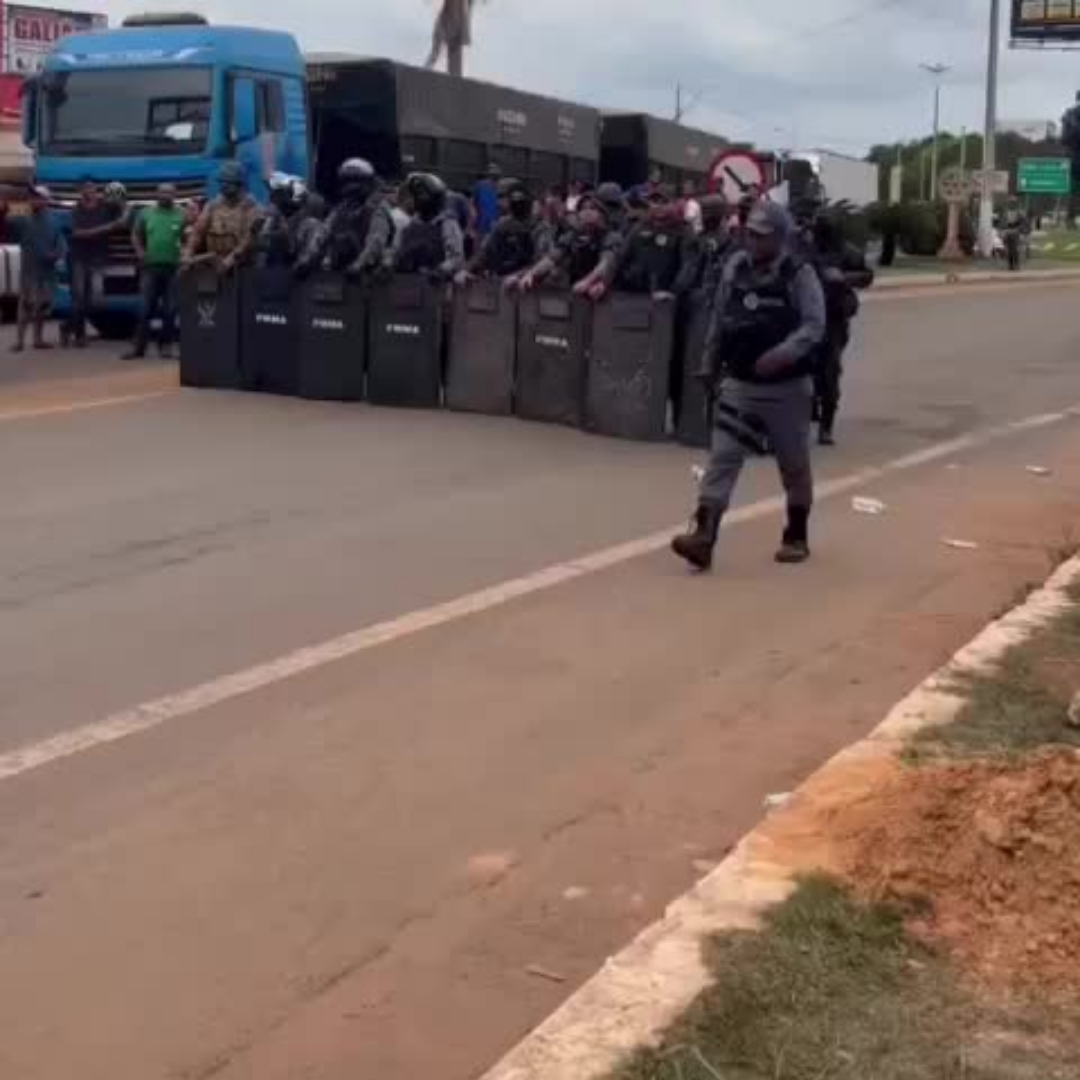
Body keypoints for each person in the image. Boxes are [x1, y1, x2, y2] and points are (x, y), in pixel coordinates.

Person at [672, 201, 826, 572]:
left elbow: (814, 325)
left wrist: (782, 354)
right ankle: (704, 536)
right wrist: (708, 364)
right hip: (740, 382)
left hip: (788, 387)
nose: (752, 241)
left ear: (780, 237)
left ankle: (796, 534)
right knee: (722, 458)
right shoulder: (735, 267)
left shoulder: (798, 273)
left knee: (793, 465)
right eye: (749, 233)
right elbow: (720, 320)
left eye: (761, 235)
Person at [804, 211, 874, 446]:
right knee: (801, 369)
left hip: (833, 320)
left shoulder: (846, 251)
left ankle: (826, 425)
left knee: (829, 372)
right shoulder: (805, 250)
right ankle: (808, 409)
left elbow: (866, 275)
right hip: (804, 318)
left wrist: (843, 277)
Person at [510, 187, 624, 294]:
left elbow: (606, 263)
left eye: (593, 208)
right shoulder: (572, 236)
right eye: (583, 209)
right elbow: (552, 258)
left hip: (616, 297)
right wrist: (531, 274)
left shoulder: (611, 236)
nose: (587, 212)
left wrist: (588, 281)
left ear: (602, 214)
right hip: (577, 295)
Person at [296, 158, 395, 279]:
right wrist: (307, 258)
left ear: (367, 182)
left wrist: (359, 264)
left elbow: (376, 240)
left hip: (370, 270)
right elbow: (323, 231)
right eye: (347, 181)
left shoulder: (378, 208)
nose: (351, 186)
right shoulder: (342, 208)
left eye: (355, 181)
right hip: (345, 267)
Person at [592, 189, 694, 302]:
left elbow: (688, 266)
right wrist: (604, 283)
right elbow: (620, 257)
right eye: (654, 202)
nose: (658, 206)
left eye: (664, 202)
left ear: (673, 204)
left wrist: (673, 292)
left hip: (664, 299)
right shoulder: (640, 226)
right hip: (634, 293)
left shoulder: (683, 231)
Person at [125, 183, 185, 359]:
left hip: (174, 268)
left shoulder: (181, 214)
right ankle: (138, 348)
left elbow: (190, 236)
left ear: (175, 194)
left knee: (171, 310)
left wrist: (185, 253)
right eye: (162, 192)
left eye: (169, 192)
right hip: (150, 267)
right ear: (156, 194)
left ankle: (165, 346)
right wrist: (140, 251)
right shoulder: (146, 213)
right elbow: (135, 234)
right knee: (144, 310)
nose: (165, 195)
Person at [63, 181, 121, 347]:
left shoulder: (105, 207)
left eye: (93, 189)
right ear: (81, 192)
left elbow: (123, 215)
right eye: (86, 189)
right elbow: (77, 233)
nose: (90, 192)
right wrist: (106, 228)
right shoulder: (76, 210)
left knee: (95, 298)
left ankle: (67, 326)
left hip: (97, 258)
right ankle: (79, 335)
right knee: (79, 298)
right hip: (78, 257)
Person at [11, 186, 64, 353]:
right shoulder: (23, 220)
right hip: (29, 270)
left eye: (37, 197)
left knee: (41, 307)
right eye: (32, 197)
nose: (33, 200)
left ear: (45, 200)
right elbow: (6, 223)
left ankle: (38, 339)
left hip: (46, 271)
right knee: (25, 306)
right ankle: (19, 341)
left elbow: (61, 245)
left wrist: (54, 255)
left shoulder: (54, 221)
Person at [184, 161, 259, 272]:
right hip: (214, 263)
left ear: (239, 184)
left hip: (243, 267)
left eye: (227, 182)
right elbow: (198, 231)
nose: (223, 186)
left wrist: (231, 259)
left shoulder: (251, 207)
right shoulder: (213, 206)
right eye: (222, 182)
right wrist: (188, 252)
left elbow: (249, 238)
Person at [461, 179, 542, 281]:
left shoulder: (538, 226)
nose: (498, 203)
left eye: (501, 197)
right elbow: (484, 253)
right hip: (501, 281)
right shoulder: (502, 225)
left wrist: (517, 276)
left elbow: (539, 262)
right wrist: (466, 270)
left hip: (527, 283)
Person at [395, 172, 466, 279]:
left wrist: (441, 270)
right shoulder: (410, 225)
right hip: (409, 284)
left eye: (421, 194)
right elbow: (398, 251)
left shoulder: (446, 223)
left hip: (439, 287)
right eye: (416, 194)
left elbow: (456, 258)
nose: (418, 198)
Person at [254, 173, 321, 270]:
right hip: (273, 275)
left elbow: (307, 257)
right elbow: (262, 248)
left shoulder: (311, 225)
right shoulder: (274, 219)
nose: (274, 200)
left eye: (279, 195)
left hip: (300, 278)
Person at [677, 193, 738, 301]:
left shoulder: (723, 237)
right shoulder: (698, 235)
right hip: (691, 288)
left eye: (704, 211)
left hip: (708, 290)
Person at [473, 163, 502, 239]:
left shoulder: (500, 187)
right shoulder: (480, 185)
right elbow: (474, 203)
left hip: (491, 220)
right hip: (484, 221)